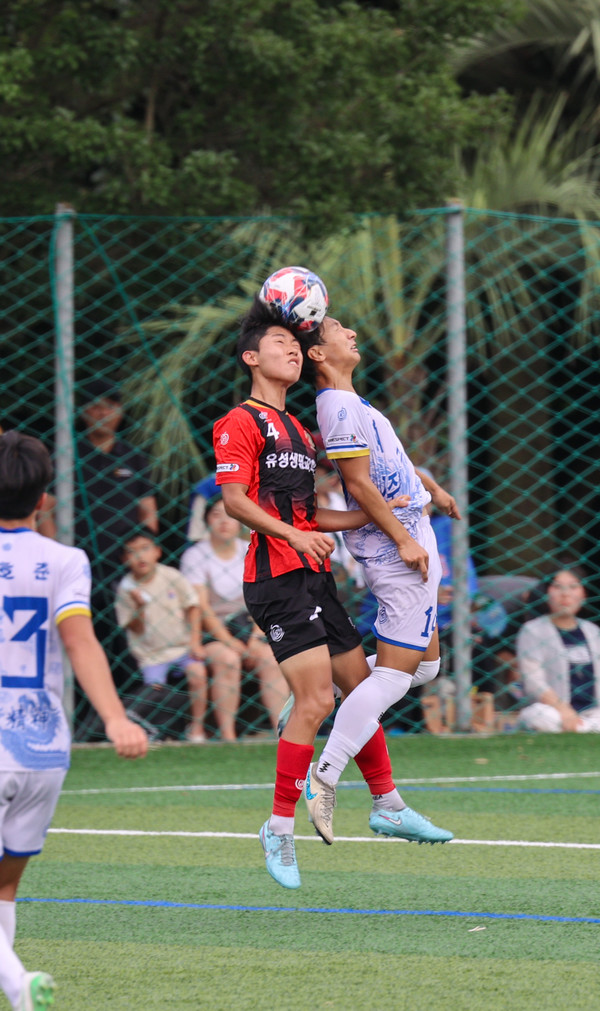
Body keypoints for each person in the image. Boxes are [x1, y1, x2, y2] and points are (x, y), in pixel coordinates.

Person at [213, 297, 452, 891]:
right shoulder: (239, 422)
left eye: (295, 345)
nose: (291, 351)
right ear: (251, 358)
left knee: (361, 684)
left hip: (314, 573)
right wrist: (296, 534)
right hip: (275, 580)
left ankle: (388, 803)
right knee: (320, 700)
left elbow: (325, 501)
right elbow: (236, 502)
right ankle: (278, 829)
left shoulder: (300, 428)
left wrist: (378, 512)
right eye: (279, 344)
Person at [0, 430, 148, 1011]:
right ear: (44, 499)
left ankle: (19, 985)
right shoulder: (65, 560)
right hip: (42, 746)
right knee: (5, 884)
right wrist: (115, 718)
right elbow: (81, 641)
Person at [298, 312, 461, 815]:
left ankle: (320, 691)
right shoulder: (337, 406)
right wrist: (403, 540)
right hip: (398, 550)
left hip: (412, 537)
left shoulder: (351, 400)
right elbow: (359, 483)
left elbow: (390, 460)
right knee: (393, 677)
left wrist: (431, 488)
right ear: (317, 353)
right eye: (337, 330)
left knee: (426, 667)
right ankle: (323, 776)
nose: (351, 333)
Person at [180, 495, 288, 736]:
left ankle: (282, 732)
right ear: (206, 521)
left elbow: (264, 597)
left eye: (229, 515)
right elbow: (201, 606)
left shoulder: (250, 549)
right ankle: (228, 737)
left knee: (271, 659)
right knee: (227, 660)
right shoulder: (195, 555)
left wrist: (255, 637)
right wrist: (229, 641)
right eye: (215, 515)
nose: (223, 521)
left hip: (251, 626)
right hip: (211, 631)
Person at [115, 527, 211, 742]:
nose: (140, 556)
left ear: (157, 551)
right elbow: (134, 628)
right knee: (155, 690)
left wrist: (195, 642)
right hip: (152, 655)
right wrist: (139, 607)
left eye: (145, 548)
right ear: (124, 559)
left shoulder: (171, 576)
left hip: (182, 648)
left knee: (198, 673)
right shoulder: (126, 589)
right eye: (132, 552)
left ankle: (197, 728)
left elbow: (193, 606)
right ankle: (161, 732)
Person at [516, 566, 600, 732]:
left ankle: (582, 727)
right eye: (557, 587)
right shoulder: (532, 631)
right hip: (553, 712)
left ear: (583, 594)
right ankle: (583, 728)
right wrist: (563, 710)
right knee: (537, 715)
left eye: (573, 587)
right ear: (547, 593)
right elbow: (534, 682)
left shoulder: (593, 632)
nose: (565, 594)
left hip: (592, 712)